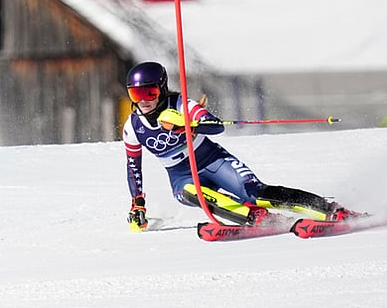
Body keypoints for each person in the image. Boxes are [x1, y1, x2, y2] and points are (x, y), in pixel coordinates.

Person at [122, 61, 355, 230]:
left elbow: (215, 127)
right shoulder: (133, 127)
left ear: (162, 89)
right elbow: (133, 168)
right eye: (135, 94)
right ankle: (257, 217)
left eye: (149, 93)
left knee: (254, 193)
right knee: (191, 194)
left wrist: (188, 126)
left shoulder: (182, 104)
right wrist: (137, 204)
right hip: (181, 176)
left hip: (212, 159)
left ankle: (329, 209)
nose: (143, 101)